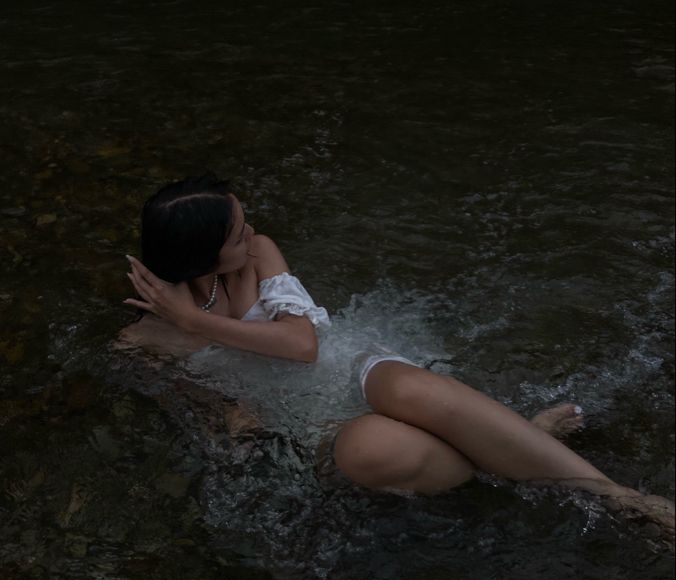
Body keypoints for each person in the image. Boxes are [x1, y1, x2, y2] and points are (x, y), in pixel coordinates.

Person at [119, 174, 674, 540]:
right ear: (202, 257)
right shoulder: (144, 342)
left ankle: (625, 502)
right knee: (374, 449)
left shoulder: (259, 256)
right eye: (238, 233)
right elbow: (214, 425)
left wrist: (196, 323)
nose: (254, 232)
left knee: (408, 389)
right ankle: (521, 442)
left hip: (353, 370)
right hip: (308, 432)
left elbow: (303, 345)